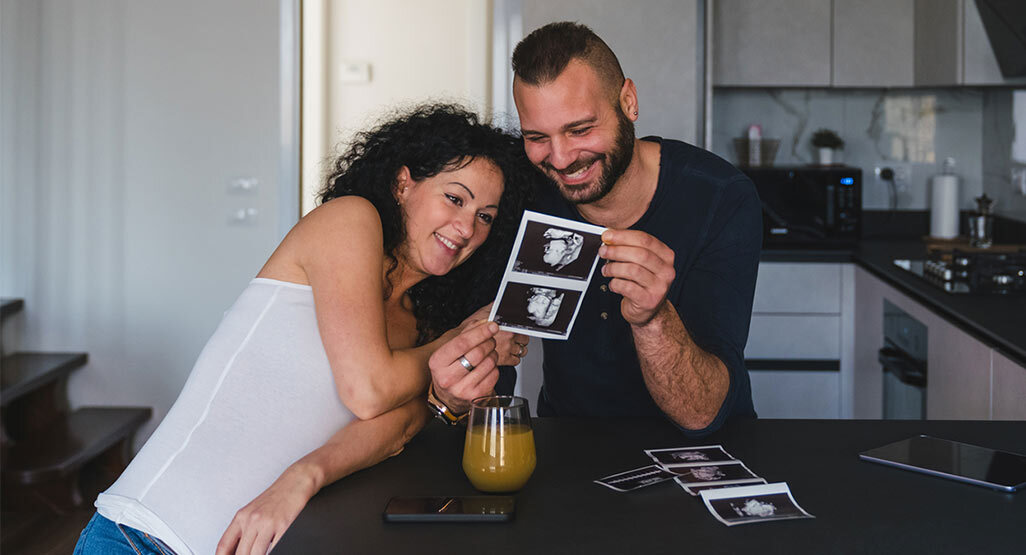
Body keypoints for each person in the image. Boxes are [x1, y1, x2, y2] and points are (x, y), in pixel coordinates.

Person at [74, 104, 533, 555]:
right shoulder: (349, 220)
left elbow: (396, 426)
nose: (467, 225)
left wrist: (304, 475)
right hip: (142, 537)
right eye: (455, 198)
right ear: (402, 183)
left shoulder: (420, 323)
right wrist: (461, 339)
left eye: (486, 216)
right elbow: (369, 390)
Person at [430, 22, 761, 436]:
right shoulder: (519, 190)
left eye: (581, 129)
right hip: (571, 447)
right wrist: (461, 392)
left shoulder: (721, 197)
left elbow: (701, 413)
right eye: (537, 137)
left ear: (629, 102)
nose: (562, 158)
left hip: (713, 451)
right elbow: (490, 376)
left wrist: (652, 318)